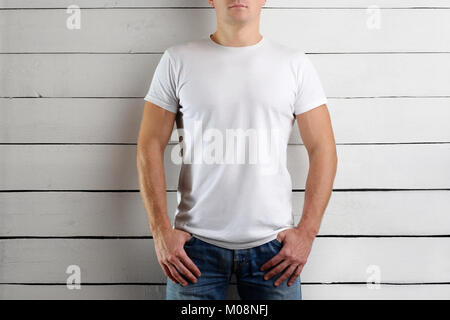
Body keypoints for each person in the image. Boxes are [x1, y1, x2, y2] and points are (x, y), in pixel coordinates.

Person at [136, 0, 337, 300]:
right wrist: (161, 232)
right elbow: (149, 145)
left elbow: (323, 149)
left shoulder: (294, 64)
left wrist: (306, 233)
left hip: (275, 249)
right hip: (193, 250)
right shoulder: (177, 60)